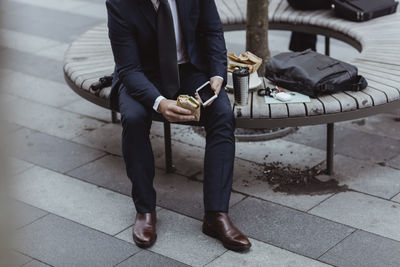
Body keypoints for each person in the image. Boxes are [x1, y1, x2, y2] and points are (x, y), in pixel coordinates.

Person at [106, 0, 251, 252]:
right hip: (141, 73)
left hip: (188, 69)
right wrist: (159, 102)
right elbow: (128, 68)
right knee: (134, 118)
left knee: (222, 114)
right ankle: (145, 210)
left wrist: (217, 73)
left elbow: (212, 31)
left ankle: (216, 214)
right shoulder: (119, 3)